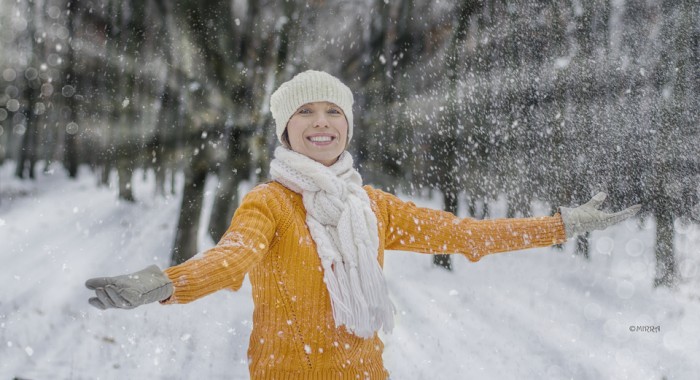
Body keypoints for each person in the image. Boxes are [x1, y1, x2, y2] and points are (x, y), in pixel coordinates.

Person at [85, 70, 641, 379]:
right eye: (305, 112)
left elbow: (464, 235)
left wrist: (559, 225)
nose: (320, 122)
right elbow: (231, 260)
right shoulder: (270, 202)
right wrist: (165, 282)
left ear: (347, 128)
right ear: (285, 131)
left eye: (333, 112)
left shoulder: (371, 206)